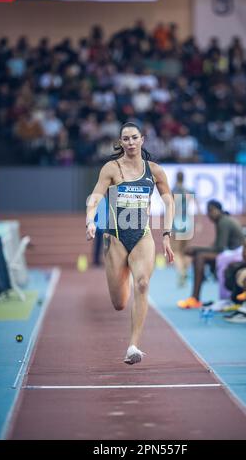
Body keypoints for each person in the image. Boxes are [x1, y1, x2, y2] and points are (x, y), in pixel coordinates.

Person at [86, 122, 174, 365]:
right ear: (121, 142)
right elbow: (95, 196)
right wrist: (90, 221)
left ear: (142, 139)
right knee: (119, 303)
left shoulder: (154, 171)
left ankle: (133, 346)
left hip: (142, 235)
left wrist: (166, 234)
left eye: (134, 137)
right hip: (115, 236)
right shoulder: (111, 168)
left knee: (143, 284)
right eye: (126, 139)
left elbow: (169, 202)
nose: (131, 142)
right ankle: (123, 272)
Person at [177, 199, 244, 309]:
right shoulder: (222, 220)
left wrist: (195, 250)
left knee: (200, 257)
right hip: (231, 252)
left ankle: (195, 298)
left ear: (218, 210)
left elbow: (219, 248)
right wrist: (197, 250)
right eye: (208, 211)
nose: (209, 214)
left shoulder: (224, 221)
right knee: (199, 256)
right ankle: (195, 295)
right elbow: (217, 246)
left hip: (237, 253)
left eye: (211, 211)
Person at [171, 171, 200, 286]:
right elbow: (198, 206)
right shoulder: (189, 190)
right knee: (185, 250)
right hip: (187, 220)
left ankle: (181, 272)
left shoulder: (173, 190)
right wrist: (199, 222)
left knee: (176, 251)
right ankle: (185, 270)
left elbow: (168, 207)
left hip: (177, 220)